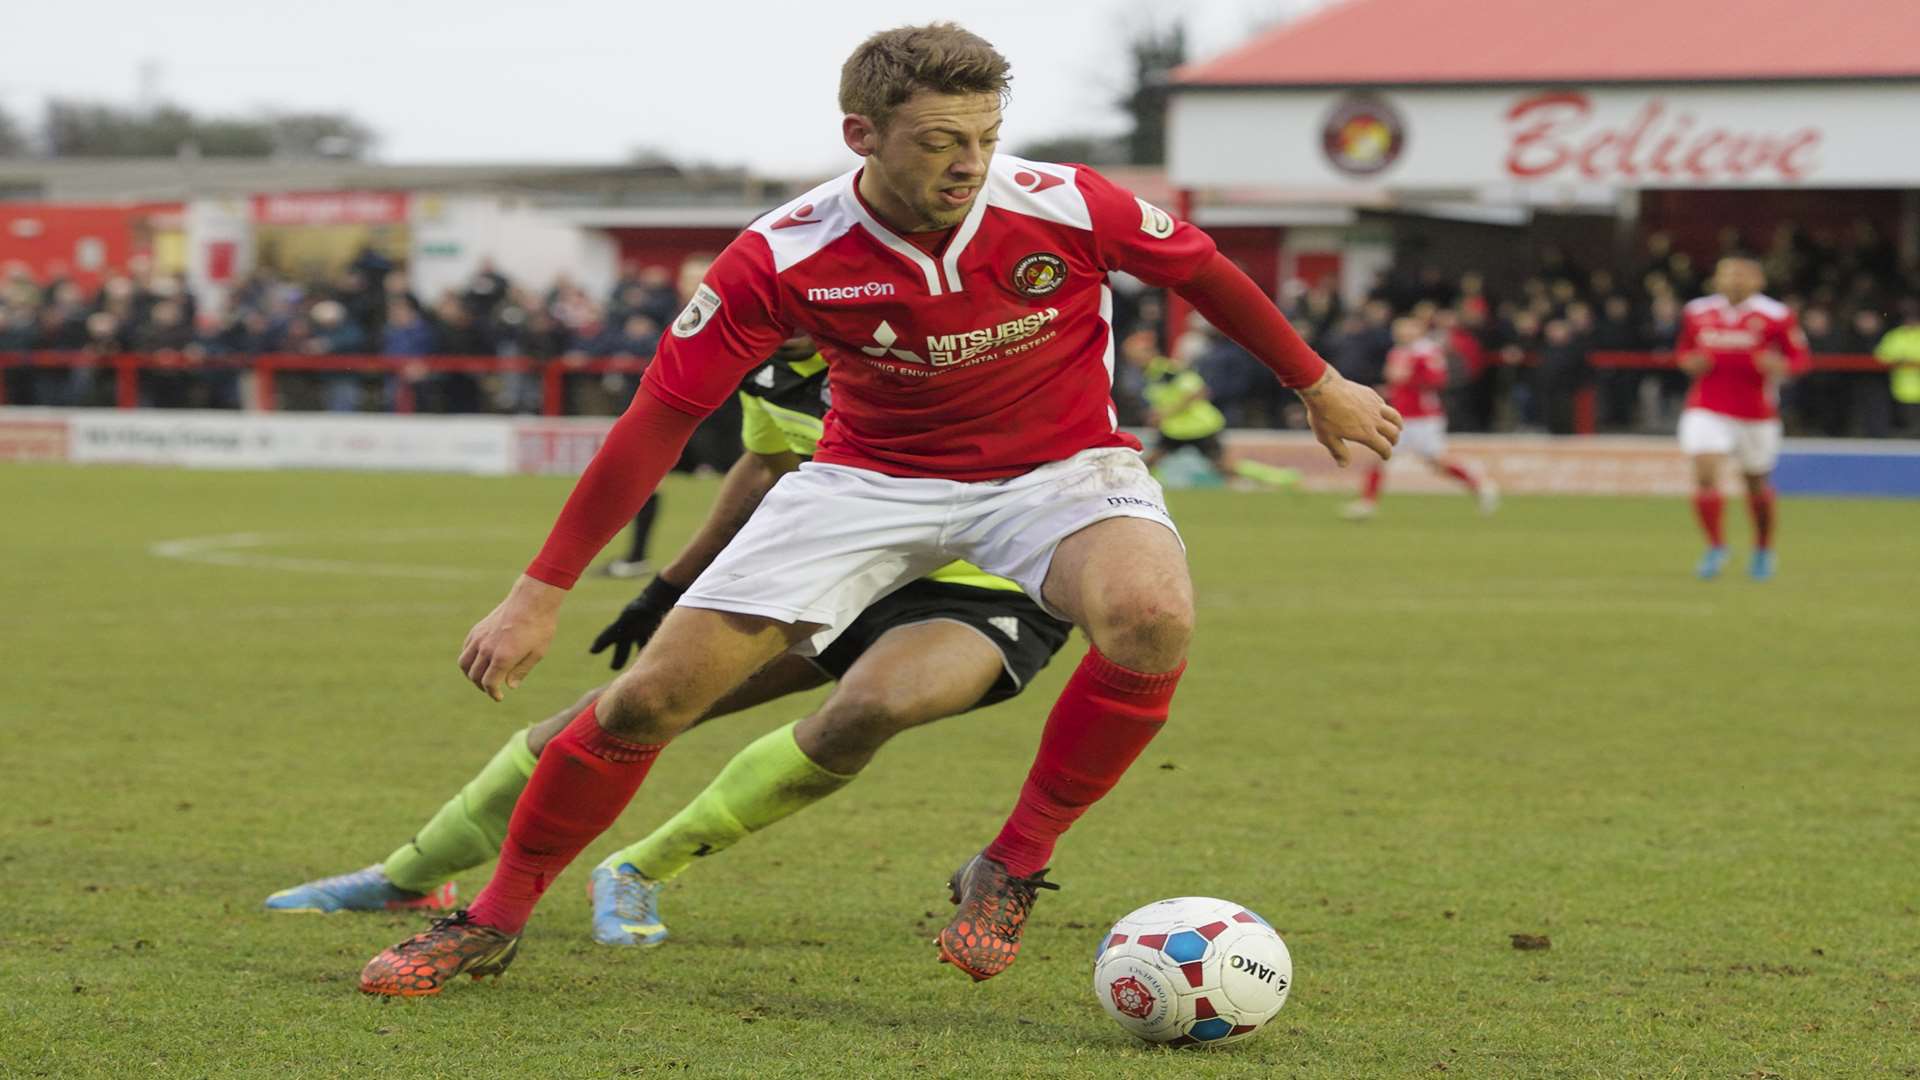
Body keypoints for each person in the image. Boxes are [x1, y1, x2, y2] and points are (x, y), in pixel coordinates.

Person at [357, 22, 1399, 996]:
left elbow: (1206, 270)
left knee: (1153, 617)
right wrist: (538, 595)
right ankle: (488, 921)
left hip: (1061, 471)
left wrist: (1314, 380)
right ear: (861, 135)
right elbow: (659, 418)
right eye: (941, 140)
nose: (969, 163)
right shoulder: (783, 254)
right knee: (646, 702)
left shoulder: (1067, 203)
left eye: (985, 137)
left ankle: (1012, 862)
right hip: (867, 484)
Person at [268, 342, 1073, 951]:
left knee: (871, 704)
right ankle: (409, 875)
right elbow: (763, 470)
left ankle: (638, 869)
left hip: (987, 579)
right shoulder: (771, 370)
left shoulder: (916, 339)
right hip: (845, 568)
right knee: (635, 708)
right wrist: (667, 587)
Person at [1674, 255, 1810, 581]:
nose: (1734, 280)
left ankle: (1762, 548)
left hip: (1756, 412)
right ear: (1717, 279)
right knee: (1705, 471)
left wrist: (1782, 368)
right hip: (1706, 406)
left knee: (1755, 484)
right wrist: (1689, 362)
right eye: (1727, 274)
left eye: (1741, 275)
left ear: (1757, 281)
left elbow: (1800, 359)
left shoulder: (1777, 315)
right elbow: (1683, 351)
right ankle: (1716, 546)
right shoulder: (1697, 311)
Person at [1345, 317, 1497, 519]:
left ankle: (1480, 485)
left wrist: (1411, 380)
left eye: (1407, 328)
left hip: (1423, 418)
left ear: (1418, 330)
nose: (1402, 332)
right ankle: (1367, 503)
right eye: (1399, 328)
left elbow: (1438, 380)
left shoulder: (1426, 351)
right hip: (1401, 415)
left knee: (1437, 462)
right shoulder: (1397, 352)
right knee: (1378, 457)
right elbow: (1396, 381)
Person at [1126, 329, 1297, 488]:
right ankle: (1151, 489)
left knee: (1223, 466)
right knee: (1151, 461)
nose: (1132, 358)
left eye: (1136, 354)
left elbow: (1199, 391)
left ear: (1150, 352)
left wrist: (1166, 413)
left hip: (1199, 426)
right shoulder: (1149, 375)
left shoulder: (1168, 370)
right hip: (1175, 429)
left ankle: (1278, 478)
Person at [1873, 301, 1920, 436]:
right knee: (1907, 424)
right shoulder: (1895, 336)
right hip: (1901, 389)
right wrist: (1899, 360)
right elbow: (1881, 356)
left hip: (1912, 388)